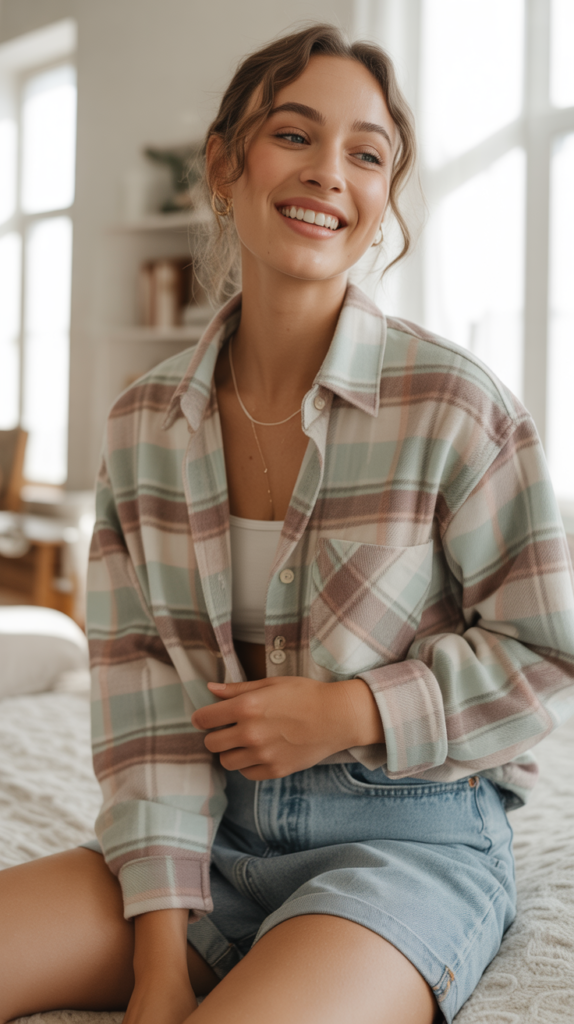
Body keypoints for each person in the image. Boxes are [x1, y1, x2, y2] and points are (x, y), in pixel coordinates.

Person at [1, 23, 573, 1024]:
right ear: (224, 164)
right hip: (202, 844)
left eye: (367, 154)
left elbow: (546, 653)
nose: (329, 174)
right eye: (294, 135)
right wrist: (159, 968)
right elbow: (144, 715)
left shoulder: (452, 402)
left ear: (384, 199)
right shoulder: (143, 423)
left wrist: (348, 712)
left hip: (411, 841)